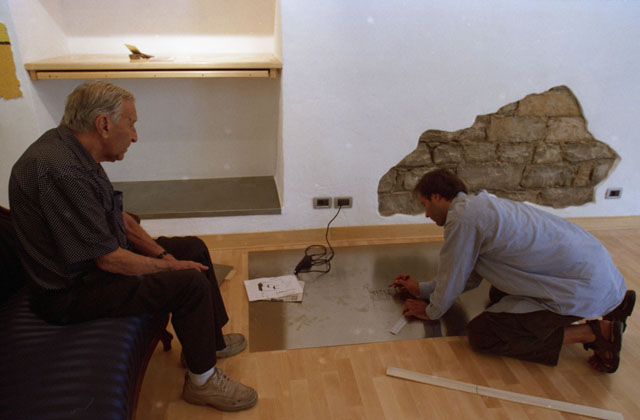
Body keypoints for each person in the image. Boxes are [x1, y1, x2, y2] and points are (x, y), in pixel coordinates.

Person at [8, 80, 257, 411]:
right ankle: (202, 382)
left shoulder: (72, 149)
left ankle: (209, 345)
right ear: (103, 124)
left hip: (92, 264)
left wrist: (165, 255)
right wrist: (171, 267)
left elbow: (119, 218)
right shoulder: (60, 170)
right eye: (131, 123)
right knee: (188, 282)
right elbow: (109, 260)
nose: (135, 135)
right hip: (71, 292)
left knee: (192, 248)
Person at [390, 168, 635, 373]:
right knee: (498, 295)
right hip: (599, 275)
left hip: (582, 287)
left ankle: (594, 333)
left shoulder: (462, 220)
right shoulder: (480, 206)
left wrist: (432, 311)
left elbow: (453, 277)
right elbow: (466, 275)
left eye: (424, 205)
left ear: (436, 197)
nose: (426, 214)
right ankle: (614, 304)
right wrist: (422, 290)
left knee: (483, 334)